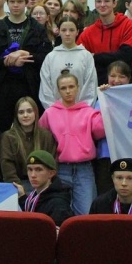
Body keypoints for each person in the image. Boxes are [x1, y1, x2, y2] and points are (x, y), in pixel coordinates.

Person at [39, 71, 105, 216]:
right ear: (58, 90)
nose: (68, 91)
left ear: (78, 88)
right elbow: (41, 138)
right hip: (60, 169)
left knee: (85, 214)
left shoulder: (88, 112)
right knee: (59, 214)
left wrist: (106, 98)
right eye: (63, 88)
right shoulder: (49, 113)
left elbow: (101, 130)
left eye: (71, 87)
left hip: (84, 169)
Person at [0, 0, 49, 132]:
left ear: (26, 3)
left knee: (30, 128)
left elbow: (46, 57)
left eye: (19, 1)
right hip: (1, 87)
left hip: (29, 85)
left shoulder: (37, 29)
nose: (15, 5)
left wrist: (26, 55)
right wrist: (6, 61)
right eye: (12, 1)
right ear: (7, 2)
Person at [77, 0, 132, 85]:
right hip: (96, 86)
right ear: (95, 4)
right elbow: (80, 59)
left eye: (106, 1)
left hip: (122, 85)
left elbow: (125, 56)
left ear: (114, 3)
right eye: (99, 1)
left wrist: (95, 56)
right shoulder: (88, 33)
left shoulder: (128, 25)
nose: (102, 5)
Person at [0, 97, 57, 192]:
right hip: (18, 186)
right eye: (21, 112)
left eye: (29, 111)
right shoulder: (8, 137)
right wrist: (20, 190)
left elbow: (52, 163)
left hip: (43, 185)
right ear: (16, 115)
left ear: (35, 113)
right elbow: (7, 168)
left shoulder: (46, 136)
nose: (25, 115)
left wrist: (45, 187)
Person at [39, 16, 97, 109]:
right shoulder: (51, 57)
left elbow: (90, 86)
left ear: (77, 32)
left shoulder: (86, 56)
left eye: (71, 30)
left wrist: (83, 109)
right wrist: (54, 109)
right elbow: (45, 88)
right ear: (59, 31)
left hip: (81, 111)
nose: (67, 33)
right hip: (57, 111)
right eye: (64, 30)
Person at [94, 61, 131, 195]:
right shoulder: (101, 99)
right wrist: (105, 97)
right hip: (106, 155)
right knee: (106, 195)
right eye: (113, 76)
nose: (116, 80)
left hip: (130, 153)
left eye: (122, 76)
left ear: (129, 79)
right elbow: (96, 131)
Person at [15, 150, 73, 226]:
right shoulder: (36, 195)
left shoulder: (58, 204)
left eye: (38, 170)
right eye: (30, 169)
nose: (33, 175)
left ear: (51, 173)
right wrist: (22, 197)